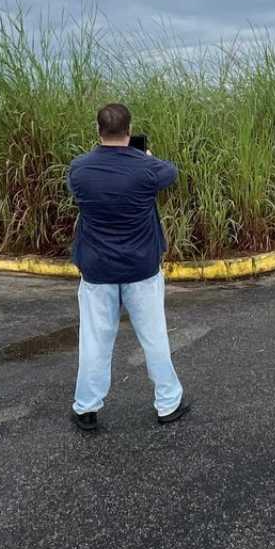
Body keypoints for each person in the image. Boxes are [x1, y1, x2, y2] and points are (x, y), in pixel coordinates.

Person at [65, 103, 190, 431]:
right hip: (141, 268)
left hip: (97, 269)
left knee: (94, 342)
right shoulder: (147, 169)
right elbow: (170, 172)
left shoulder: (79, 170)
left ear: (98, 130)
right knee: (154, 337)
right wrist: (145, 156)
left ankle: (86, 408)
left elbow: (77, 189)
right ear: (129, 130)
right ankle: (168, 403)